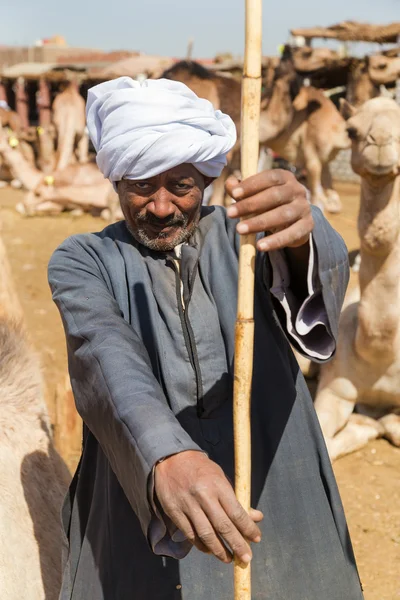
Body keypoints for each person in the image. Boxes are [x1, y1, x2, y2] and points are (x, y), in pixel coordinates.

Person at [49, 77, 363, 600]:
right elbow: (104, 356)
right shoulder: (83, 260)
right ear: (116, 181)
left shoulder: (246, 233)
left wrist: (303, 233)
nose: (162, 206)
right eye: (142, 185)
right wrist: (166, 456)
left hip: (276, 485)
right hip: (138, 502)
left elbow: (317, 278)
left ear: (208, 178)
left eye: (181, 184)